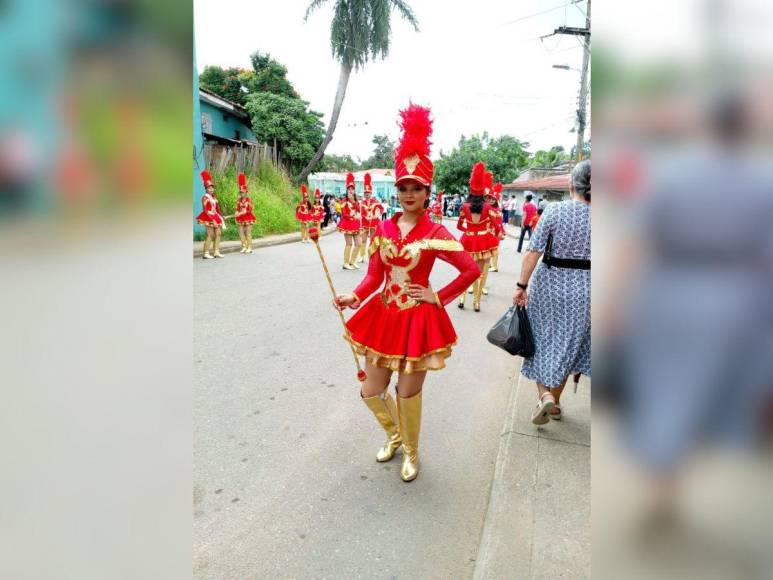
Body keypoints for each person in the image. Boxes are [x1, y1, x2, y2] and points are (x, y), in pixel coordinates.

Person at [335, 104, 480, 482]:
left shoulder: (436, 233)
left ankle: (412, 453)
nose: (409, 193)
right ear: (396, 189)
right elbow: (373, 276)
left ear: (427, 192)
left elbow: (471, 269)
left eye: (416, 188)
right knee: (370, 389)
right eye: (403, 187)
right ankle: (394, 434)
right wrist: (355, 296)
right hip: (383, 316)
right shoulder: (384, 227)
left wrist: (439, 296)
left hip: (417, 320)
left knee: (407, 391)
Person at [513, 161, 591, 424]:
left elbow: (533, 251)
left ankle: (545, 395)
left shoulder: (555, 212)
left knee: (541, 341)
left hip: (550, 286)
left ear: (571, 186)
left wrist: (521, 286)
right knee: (569, 344)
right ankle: (554, 402)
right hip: (587, 290)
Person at [457, 163, 500, 311]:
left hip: (468, 241)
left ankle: (462, 298)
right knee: (479, 273)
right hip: (483, 242)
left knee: (465, 271)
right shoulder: (488, 207)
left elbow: (459, 226)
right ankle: (477, 302)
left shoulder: (464, 206)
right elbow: (496, 226)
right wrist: (487, 232)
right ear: (482, 191)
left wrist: (469, 230)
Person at [195, 170, 225, 259]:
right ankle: (206, 253)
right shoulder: (205, 198)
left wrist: (221, 216)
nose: (211, 189)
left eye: (212, 188)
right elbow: (206, 210)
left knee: (218, 234)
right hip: (208, 217)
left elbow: (217, 208)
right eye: (209, 188)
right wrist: (213, 220)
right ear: (206, 189)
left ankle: (216, 251)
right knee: (210, 234)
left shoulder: (214, 197)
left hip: (215, 216)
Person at [338, 172, 363, 269]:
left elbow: (357, 209)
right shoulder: (344, 201)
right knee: (349, 243)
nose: (351, 190)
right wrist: (351, 215)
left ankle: (352, 261)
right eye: (349, 189)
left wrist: (353, 200)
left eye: (352, 189)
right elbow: (343, 214)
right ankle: (345, 263)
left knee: (359, 243)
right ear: (347, 190)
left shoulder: (355, 201)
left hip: (356, 224)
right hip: (347, 224)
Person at [358, 173, 384, 262]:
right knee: (363, 240)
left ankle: (371, 255)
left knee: (372, 240)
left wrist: (378, 213)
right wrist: (364, 216)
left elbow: (381, 209)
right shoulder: (362, 203)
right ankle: (362, 256)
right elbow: (359, 212)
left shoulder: (375, 201)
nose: (367, 194)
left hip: (374, 223)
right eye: (365, 193)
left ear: (371, 193)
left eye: (368, 193)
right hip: (365, 223)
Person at [234, 172, 256, 254]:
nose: (241, 193)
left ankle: (250, 247)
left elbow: (250, 209)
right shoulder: (238, 200)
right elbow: (237, 208)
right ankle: (244, 246)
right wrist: (236, 212)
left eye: (243, 192)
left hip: (248, 217)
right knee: (241, 232)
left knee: (248, 232)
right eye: (240, 192)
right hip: (240, 218)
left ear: (246, 192)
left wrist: (242, 213)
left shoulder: (249, 200)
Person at [487, 182, 506, 274]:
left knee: (494, 249)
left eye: (493, 199)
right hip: (490, 231)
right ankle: (490, 264)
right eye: (490, 198)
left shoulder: (496, 210)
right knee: (490, 248)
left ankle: (494, 266)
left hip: (494, 231)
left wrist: (501, 231)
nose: (491, 200)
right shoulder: (490, 208)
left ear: (496, 200)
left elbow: (499, 223)